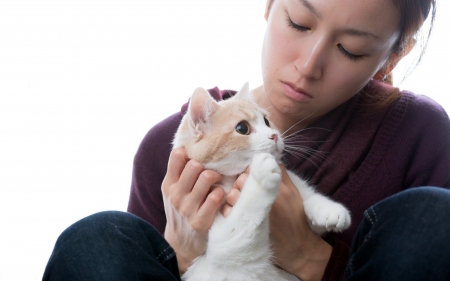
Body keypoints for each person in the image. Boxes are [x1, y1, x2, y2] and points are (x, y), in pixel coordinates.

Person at [43, 0, 450, 280]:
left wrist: (310, 257)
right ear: (270, 4)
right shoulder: (168, 150)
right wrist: (180, 252)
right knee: (93, 242)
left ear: (392, 58)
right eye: (299, 23)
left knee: (433, 218)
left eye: (350, 49)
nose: (308, 66)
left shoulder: (419, 134)